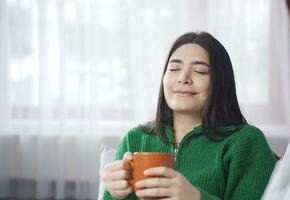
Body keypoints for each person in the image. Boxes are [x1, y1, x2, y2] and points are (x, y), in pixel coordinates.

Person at [102, 32, 276, 200]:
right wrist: (115, 195)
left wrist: (196, 198)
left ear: (220, 81)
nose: (183, 78)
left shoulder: (246, 142)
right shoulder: (135, 139)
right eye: (174, 68)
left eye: (200, 71)